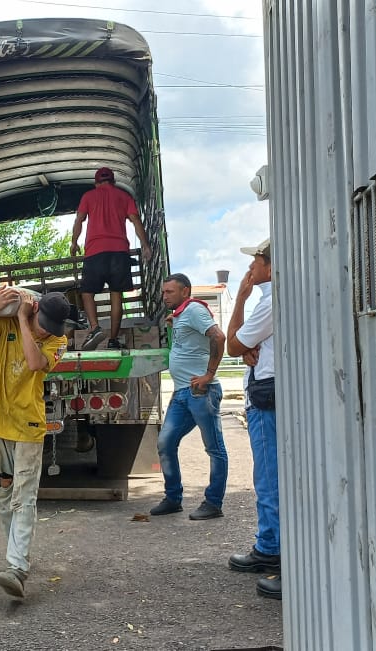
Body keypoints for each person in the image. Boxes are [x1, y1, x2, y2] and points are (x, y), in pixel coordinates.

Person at [0, 287, 70, 599]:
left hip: (29, 426)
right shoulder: (4, 325)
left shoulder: (57, 341)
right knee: (2, 491)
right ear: (35, 308)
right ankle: (17, 554)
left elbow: (36, 363)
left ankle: (17, 567)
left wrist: (26, 323)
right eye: (42, 323)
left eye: (49, 328)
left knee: (24, 497)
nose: (45, 331)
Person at [224, 239, 280, 600]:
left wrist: (240, 299)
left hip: (265, 399)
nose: (250, 270)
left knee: (268, 477)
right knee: (270, 475)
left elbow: (231, 344)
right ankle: (269, 544)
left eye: (256, 262)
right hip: (270, 391)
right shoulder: (275, 301)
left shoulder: (270, 302)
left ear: (271, 267)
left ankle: (271, 548)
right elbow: (244, 348)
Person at [150, 273, 229, 520]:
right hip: (182, 392)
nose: (165, 296)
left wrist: (209, 374)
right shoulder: (183, 314)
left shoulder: (194, 309)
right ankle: (173, 498)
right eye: (164, 292)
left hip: (201, 391)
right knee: (165, 443)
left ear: (185, 291)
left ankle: (213, 503)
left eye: (170, 292)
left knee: (214, 448)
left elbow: (218, 336)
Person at [70, 166, 152, 350]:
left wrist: (74, 243)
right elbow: (136, 221)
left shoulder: (88, 197)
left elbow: (79, 220)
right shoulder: (124, 197)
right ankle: (113, 339)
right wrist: (146, 246)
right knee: (117, 296)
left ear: (96, 182)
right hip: (119, 252)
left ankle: (94, 328)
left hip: (95, 252)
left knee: (87, 292)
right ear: (113, 181)